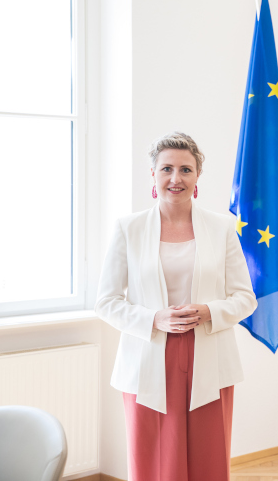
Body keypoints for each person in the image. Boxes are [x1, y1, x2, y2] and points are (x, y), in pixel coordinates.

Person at [96, 132, 257, 481]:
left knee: (208, 461)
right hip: (147, 357)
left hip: (210, 357)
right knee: (154, 462)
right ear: (153, 175)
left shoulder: (222, 227)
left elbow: (245, 298)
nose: (175, 178)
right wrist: (155, 318)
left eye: (185, 169)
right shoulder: (128, 228)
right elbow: (106, 302)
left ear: (197, 176)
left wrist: (209, 312)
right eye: (166, 168)